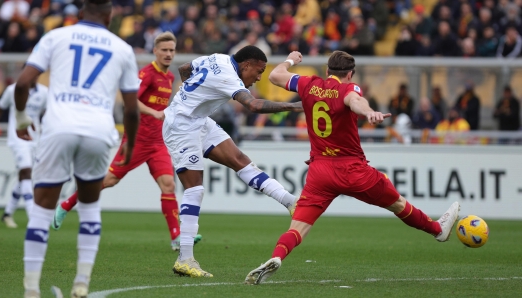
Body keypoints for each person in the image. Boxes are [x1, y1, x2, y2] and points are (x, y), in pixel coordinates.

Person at [244, 50, 460, 285]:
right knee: (398, 204)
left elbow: (275, 75)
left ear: (327, 71)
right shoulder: (349, 89)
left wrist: (290, 61)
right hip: (352, 170)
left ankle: (277, 256)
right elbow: (355, 101)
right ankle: (437, 230)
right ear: (350, 74)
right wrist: (370, 113)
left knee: (299, 226)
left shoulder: (308, 84)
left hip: (320, 172)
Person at [15, 0, 140, 297]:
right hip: (98, 131)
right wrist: (130, 145)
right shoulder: (122, 49)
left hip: (59, 127)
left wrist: (21, 117)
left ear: (80, 14)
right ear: (110, 17)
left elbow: (22, 83)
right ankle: (81, 283)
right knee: (90, 208)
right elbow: (132, 111)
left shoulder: (56, 36)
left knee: (42, 212)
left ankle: (31, 289)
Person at [52, 31, 199, 251]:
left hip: (157, 143)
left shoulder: (169, 77)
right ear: (155, 51)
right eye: (165, 50)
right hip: (136, 140)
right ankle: (66, 204)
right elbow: (129, 102)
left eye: (172, 50)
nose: (168, 54)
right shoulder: (146, 74)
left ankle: (176, 236)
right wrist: (153, 112)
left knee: (168, 184)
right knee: (109, 181)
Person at [164, 45, 302, 278]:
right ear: (246, 65)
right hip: (181, 126)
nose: (258, 78)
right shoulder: (228, 75)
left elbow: (185, 67)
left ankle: (291, 203)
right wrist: (294, 106)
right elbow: (253, 105)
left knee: (241, 160)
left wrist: (188, 96)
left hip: (197, 119)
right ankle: (184, 259)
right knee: (194, 187)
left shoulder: (219, 58)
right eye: (258, 72)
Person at [0, 77, 47, 228]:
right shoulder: (12, 90)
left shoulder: (44, 92)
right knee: (26, 171)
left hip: (35, 139)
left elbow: (49, 113)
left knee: (25, 176)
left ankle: (7, 213)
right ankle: (33, 216)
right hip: (16, 138)